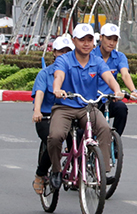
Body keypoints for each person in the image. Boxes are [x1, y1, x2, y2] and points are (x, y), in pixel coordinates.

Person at [48, 23, 124, 190]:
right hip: (65, 107)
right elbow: (59, 75)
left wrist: (117, 90)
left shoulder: (96, 62)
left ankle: (101, 173)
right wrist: (57, 89)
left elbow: (109, 78)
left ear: (94, 43)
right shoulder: (64, 59)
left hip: (87, 107)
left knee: (105, 129)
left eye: (89, 39)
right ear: (74, 41)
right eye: (82, 40)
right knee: (55, 136)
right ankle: (55, 169)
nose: (86, 43)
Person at [30, 35, 73, 193]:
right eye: (61, 51)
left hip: (70, 115)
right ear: (54, 52)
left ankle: (84, 169)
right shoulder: (45, 74)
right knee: (53, 141)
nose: (64, 54)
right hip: (47, 116)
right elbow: (40, 93)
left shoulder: (75, 73)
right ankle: (41, 174)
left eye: (68, 52)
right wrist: (37, 111)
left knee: (84, 135)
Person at [95, 23, 137, 135]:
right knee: (82, 127)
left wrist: (133, 90)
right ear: (101, 38)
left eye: (115, 40)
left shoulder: (119, 57)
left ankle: (115, 141)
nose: (111, 43)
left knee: (121, 109)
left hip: (109, 99)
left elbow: (125, 74)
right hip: (92, 100)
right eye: (109, 38)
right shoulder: (90, 55)